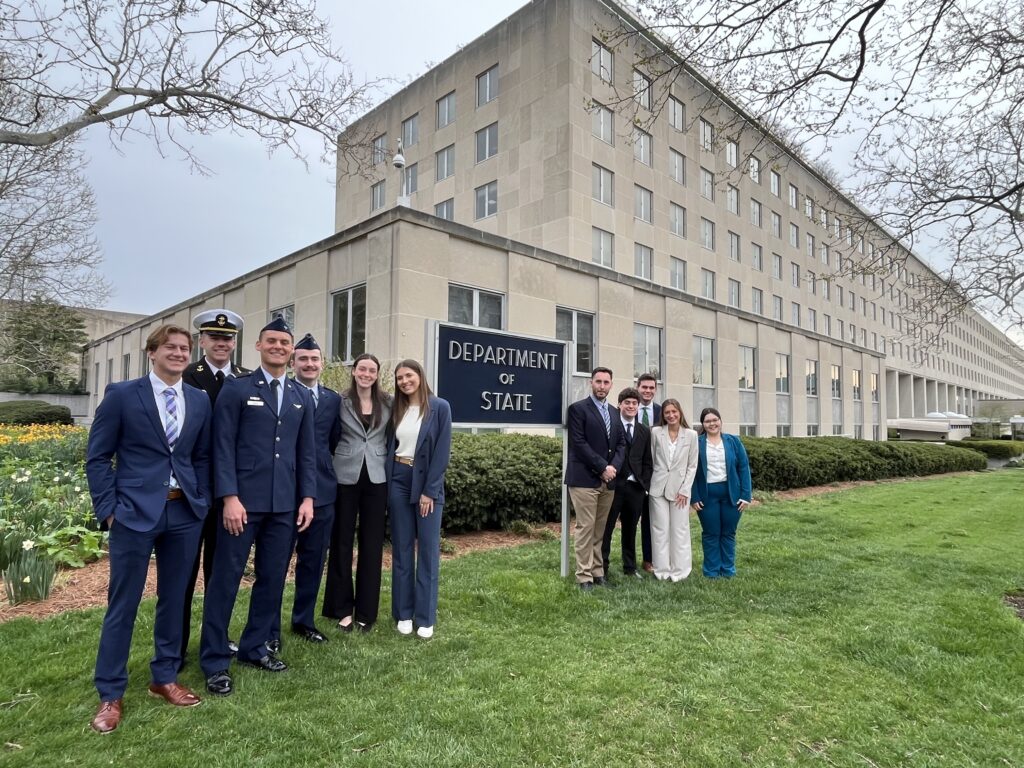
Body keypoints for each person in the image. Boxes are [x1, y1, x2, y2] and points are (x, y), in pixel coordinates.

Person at [85, 324, 212, 733]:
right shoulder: (123, 395)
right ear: (152, 353)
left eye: (184, 348)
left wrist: (202, 500)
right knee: (123, 603)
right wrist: (109, 511)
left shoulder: (198, 399)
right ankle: (110, 692)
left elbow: (202, 456)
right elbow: (98, 457)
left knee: (174, 600)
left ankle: (165, 677)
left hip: (184, 514)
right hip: (133, 514)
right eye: (170, 348)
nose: (178, 353)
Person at [199, 316, 316, 696]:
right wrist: (229, 498)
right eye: (272, 341)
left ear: (291, 349)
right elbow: (222, 447)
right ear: (259, 346)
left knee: (271, 580)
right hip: (242, 505)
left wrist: (308, 499)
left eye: (285, 342)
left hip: (284, 505)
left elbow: (306, 453)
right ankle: (215, 660)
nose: (279, 347)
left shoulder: (300, 396)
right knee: (225, 580)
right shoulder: (237, 389)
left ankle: (254, 647)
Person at [180, 308, 249, 667]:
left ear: (234, 342)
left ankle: (217, 639)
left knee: (221, 574)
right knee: (184, 574)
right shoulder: (188, 376)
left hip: (232, 492)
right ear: (202, 341)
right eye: (215, 338)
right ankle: (176, 647)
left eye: (227, 338)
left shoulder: (246, 378)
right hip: (194, 491)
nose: (222, 343)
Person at [267, 334, 341, 651]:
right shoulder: (284, 393)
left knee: (312, 561)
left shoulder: (333, 400)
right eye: (303, 359)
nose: (309, 364)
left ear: (321, 364)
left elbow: (333, 441)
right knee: (276, 562)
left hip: (322, 491)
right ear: (293, 363)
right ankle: (268, 628)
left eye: (315, 359)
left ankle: (303, 621)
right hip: (284, 490)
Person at [323, 353, 392, 633]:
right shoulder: (340, 401)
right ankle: (342, 610)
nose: (366, 374)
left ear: (377, 374)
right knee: (341, 542)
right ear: (354, 371)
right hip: (345, 476)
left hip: (377, 477)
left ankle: (366, 612)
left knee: (372, 545)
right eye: (361, 369)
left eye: (372, 370)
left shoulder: (387, 402)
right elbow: (329, 435)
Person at [387, 359, 452, 639]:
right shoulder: (396, 407)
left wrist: (429, 491)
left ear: (419, 376)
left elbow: (442, 451)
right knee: (401, 549)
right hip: (398, 479)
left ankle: (425, 617)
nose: (404, 381)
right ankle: (403, 613)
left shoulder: (439, 407)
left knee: (427, 551)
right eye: (400, 378)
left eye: (409, 375)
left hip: (426, 481)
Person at [564, 366, 626, 592]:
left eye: (606, 382)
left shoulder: (614, 412)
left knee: (600, 529)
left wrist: (613, 469)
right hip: (584, 480)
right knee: (585, 528)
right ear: (591, 383)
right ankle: (584, 577)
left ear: (611, 384)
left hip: (608, 481)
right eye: (598, 381)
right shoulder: (578, 409)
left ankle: (598, 572)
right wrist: (602, 467)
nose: (602, 386)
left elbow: (621, 445)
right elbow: (578, 444)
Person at [691, 407, 753, 579]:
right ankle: (711, 571)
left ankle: (727, 570)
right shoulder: (697, 443)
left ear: (720, 421)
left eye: (715, 420)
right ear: (703, 424)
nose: (712, 424)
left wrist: (746, 495)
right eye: (708, 421)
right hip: (707, 494)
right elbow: (691, 471)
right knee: (711, 533)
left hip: (731, 494)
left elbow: (743, 467)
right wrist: (694, 496)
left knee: (728, 532)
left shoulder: (733, 441)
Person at [600, 387, 653, 579]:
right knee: (607, 528)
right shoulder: (611, 426)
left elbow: (648, 460)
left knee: (630, 530)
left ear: (638, 407)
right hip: (613, 486)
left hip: (635, 488)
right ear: (619, 405)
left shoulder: (644, 431)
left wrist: (644, 484)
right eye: (627, 403)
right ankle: (602, 567)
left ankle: (630, 568)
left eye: (634, 403)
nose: (631, 406)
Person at [649, 399, 699, 582]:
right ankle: (662, 570)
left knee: (680, 530)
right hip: (657, 489)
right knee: (660, 529)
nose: (670, 415)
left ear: (680, 413)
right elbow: (653, 460)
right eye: (667, 412)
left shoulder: (691, 435)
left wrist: (685, 490)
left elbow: (692, 465)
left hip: (680, 491)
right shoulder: (655, 433)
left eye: (674, 412)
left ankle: (680, 570)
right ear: (663, 415)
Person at [635, 372, 661, 574]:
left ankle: (649, 559)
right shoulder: (628, 409)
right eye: (644, 387)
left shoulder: (663, 412)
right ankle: (627, 562)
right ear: (638, 387)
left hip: (657, 473)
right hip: (632, 473)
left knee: (651, 519)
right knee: (629, 520)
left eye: (651, 388)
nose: (648, 391)